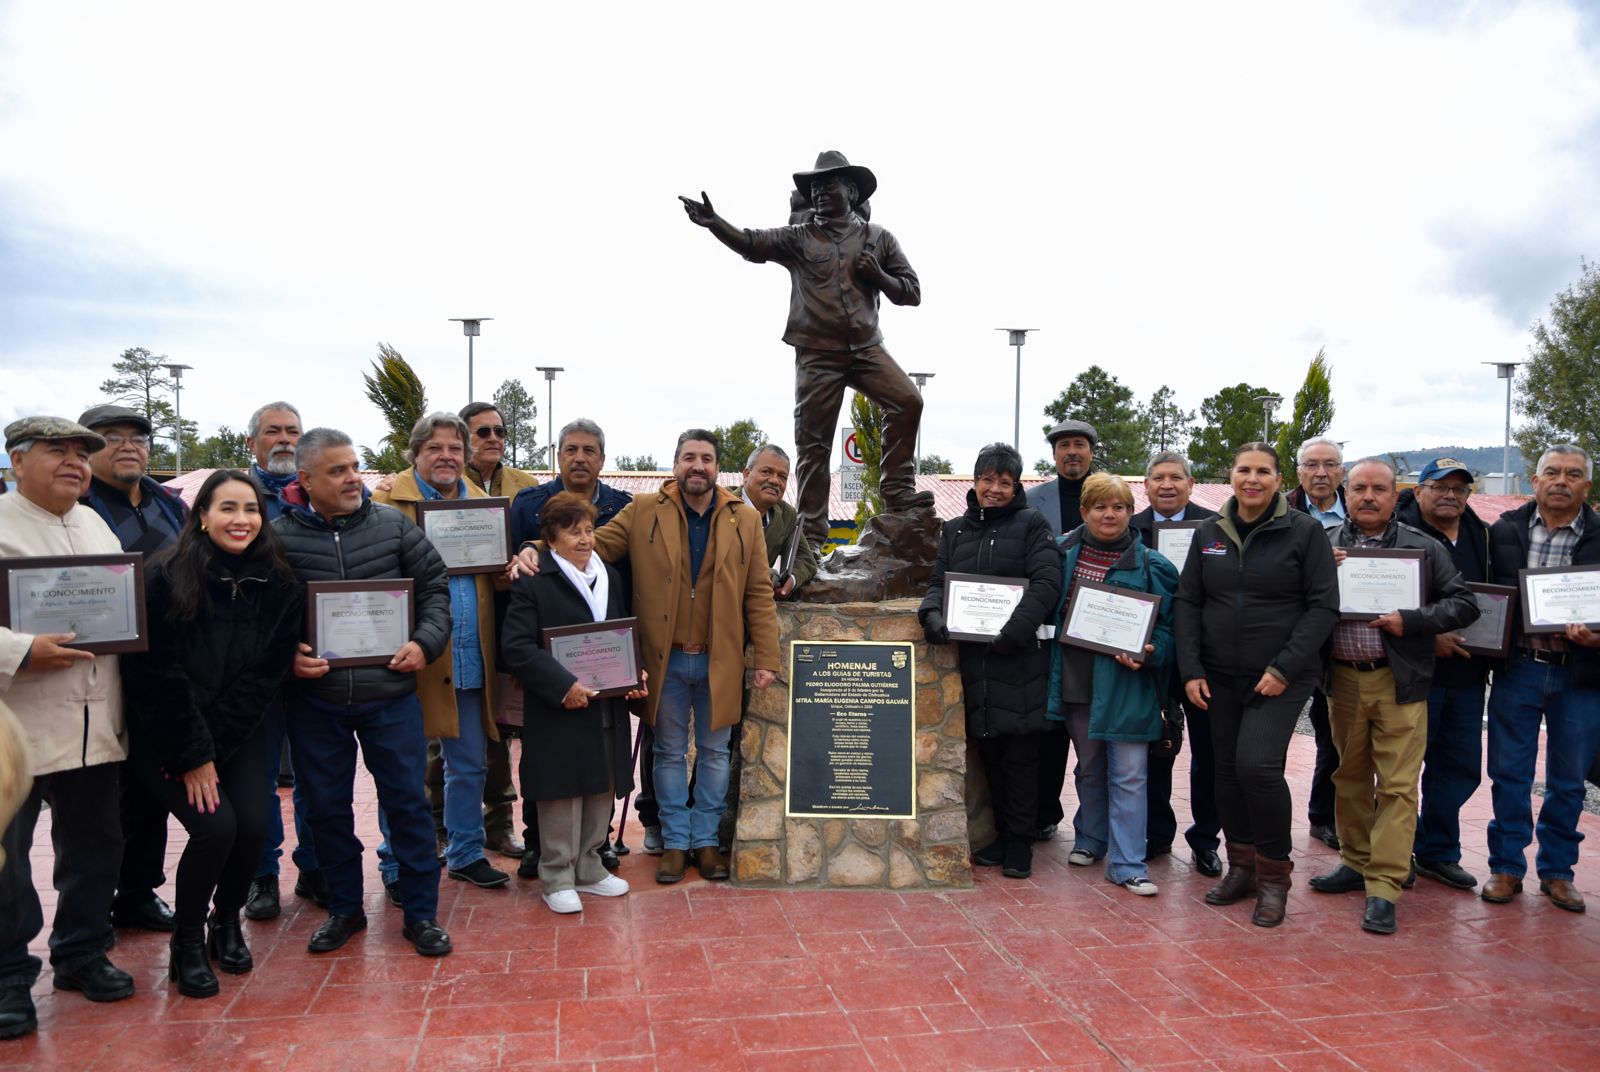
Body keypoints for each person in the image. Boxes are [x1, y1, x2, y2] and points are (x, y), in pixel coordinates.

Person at [679, 150, 934, 552]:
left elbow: (912, 292)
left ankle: (898, 492)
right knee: (813, 446)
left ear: (850, 190)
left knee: (908, 401)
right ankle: (813, 540)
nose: (818, 192)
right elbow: (752, 243)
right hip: (818, 354)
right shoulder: (799, 238)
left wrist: (878, 275)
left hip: (867, 348)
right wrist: (715, 224)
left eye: (826, 184)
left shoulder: (878, 237)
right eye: (813, 187)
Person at [119, 470, 302, 995]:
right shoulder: (163, 577)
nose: (240, 520)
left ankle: (226, 923)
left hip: (240, 729)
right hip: (167, 733)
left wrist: (216, 747)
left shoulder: (280, 581)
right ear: (201, 515)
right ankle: (187, 941)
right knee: (215, 827)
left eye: (250, 509)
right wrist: (195, 754)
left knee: (252, 825)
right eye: (227, 508)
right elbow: (154, 674)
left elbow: (265, 674)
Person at [274, 428, 454, 956]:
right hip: (317, 701)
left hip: (391, 695)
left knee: (408, 805)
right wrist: (287, 654)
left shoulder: (395, 527)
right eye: (338, 470)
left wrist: (425, 643)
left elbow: (436, 590)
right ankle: (345, 910)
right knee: (327, 809)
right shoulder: (279, 538)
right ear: (305, 479)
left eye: (354, 467)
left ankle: (421, 915)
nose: (353, 478)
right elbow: (261, 615)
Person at [586, 430, 781, 883]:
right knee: (670, 753)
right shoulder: (642, 511)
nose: (698, 466)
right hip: (664, 661)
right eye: (689, 457)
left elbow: (758, 593)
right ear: (675, 464)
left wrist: (766, 657)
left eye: (707, 459)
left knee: (714, 754)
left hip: (721, 660)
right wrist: (537, 551)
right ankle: (675, 841)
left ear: (718, 468)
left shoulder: (743, 520)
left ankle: (706, 841)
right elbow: (592, 546)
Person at [1, 417, 136, 1039]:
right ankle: (6, 976)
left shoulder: (93, 523)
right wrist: (21, 650)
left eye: (83, 455)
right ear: (16, 460)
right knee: (7, 859)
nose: (75, 464)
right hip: (17, 727)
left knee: (96, 846)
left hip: (92, 720)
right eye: (57, 452)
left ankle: (81, 953)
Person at [1308, 459, 1477, 935]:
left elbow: (1462, 602)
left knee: (1399, 785)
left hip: (1397, 681)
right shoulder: (1323, 544)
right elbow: (1295, 601)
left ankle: (1384, 885)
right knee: (1350, 775)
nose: (1367, 496)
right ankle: (1356, 862)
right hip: (1341, 679)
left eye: (1378, 489)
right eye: (1358, 487)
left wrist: (1413, 620)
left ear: (1394, 494)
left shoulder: (1421, 546)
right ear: (1345, 490)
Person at [1175, 443, 1339, 927]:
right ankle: (1241, 866)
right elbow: (1188, 603)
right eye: (1244, 470)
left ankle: (1274, 877)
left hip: (1280, 677)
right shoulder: (1208, 532)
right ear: (1230, 476)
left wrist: (1284, 667)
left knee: (1258, 767)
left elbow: (1322, 607)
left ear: (1277, 478)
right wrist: (1191, 669)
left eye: (1263, 471)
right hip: (1217, 676)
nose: (1253, 479)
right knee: (1225, 771)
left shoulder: (1304, 533)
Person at [372, 413, 509, 891]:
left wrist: (509, 567)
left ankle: (466, 851)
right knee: (403, 771)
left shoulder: (487, 506)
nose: (446, 456)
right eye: (435, 448)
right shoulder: (387, 503)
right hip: (410, 661)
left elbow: (498, 569)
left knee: (469, 764)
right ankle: (396, 862)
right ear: (415, 454)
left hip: (470, 656)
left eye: (455, 447)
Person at [919, 444, 1062, 879]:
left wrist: (1012, 632)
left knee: (1020, 752)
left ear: (1016, 485)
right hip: (975, 662)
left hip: (1017, 658)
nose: (994, 488)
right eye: (987, 479)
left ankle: (1021, 842)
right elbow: (937, 580)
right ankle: (1002, 834)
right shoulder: (956, 530)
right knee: (991, 752)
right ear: (975, 481)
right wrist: (932, 614)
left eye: (1004, 481)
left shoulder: (1032, 524)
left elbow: (1047, 582)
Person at [501, 492, 644, 913]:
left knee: (601, 782)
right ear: (550, 537)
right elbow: (517, 646)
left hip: (606, 704)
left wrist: (635, 673)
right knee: (562, 788)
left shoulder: (610, 577)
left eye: (588, 530)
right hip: (558, 706)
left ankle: (589, 866)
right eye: (572, 532)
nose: (584, 540)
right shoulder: (533, 580)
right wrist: (563, 685)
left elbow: (621, 636)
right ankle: (557, 874)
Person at [77, 403, 189, 935]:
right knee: (99, 800)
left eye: (137, 438)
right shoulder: (75, 506)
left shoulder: (171, 504)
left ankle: (138, 892)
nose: (128, 446)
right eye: (111, 437)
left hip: (164, 669)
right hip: (93, 671)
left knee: (149, 791)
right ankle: (90, 907)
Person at [1045, 473, 1178, 894]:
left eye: (1119, 507)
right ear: (1084, 511)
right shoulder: (1062, 553)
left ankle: (1127, 863)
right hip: (1077, 678)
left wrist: (1152, 650)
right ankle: (1090, 838)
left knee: (1131, 774)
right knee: (1090, 768)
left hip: (1128, 684)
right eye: (1100, 506)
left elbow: (1173, 630)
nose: (1109, 514)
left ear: (1129, 512)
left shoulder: (1153, 565)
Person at [1482, 443, 1600, 913]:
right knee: (1509, 773)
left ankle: (1557, 872)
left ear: (1587, 485)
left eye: (1573, 474)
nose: (1561, 481)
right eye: (1551, 472)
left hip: (1581, 677)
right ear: (1534, 480)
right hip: (1520, 670)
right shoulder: (1504, 530)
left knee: (1569, 780)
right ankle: (1506, 867)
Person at [510, 418, 633, 865]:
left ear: (602, 458)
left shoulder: (622, 509)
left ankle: (592, 856)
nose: (580, 458)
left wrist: (631, 665)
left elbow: (625, 600)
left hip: (606, 675)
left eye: (589, 450)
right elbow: (512, 574)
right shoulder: (527, 504)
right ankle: (545, 853)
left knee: (601, 763)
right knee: (553, 766)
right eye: (570, 449)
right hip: (548, 667)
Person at [240, 401, 321, 922]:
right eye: (274, 431)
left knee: (316, 773)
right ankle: (261, 874)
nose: (285, 439)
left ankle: (314, 868)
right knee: (259, 778)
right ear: (252, 443)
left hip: (316, 659)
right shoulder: (236, 498)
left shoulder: (317, 496)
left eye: (293, 430)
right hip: (255, 664)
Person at [1396, 457, 1493, 890]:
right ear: (1419, 491)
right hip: (1417, 672)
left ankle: (1439, 851)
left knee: (1458, 767)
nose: (1450, 495)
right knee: (1400, 769)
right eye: (1440, 487)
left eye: (1459, 488)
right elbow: (1383, 602)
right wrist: (1427, 635)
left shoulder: (1484, 536)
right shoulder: (1400, 535)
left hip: (1470, 675)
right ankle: (1400, 851)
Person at [716, 443, 816, 852]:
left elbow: (807, 561)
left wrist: (790, 581)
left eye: (782, 476)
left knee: (730, 734)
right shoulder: (719, 509)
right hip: (708, 632)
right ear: (746, 473)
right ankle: (659, 821)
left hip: (747, 641)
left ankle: (720, 827)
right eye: (766, 473)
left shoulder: (787, 518)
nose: (774, 481)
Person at [1128, 450, 1222, 877]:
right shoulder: (1130, 529)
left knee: (1209, 754)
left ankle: (1206, 840)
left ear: (1191, 483)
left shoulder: (1217, 527)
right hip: (1150, 655)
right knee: (1154, 747)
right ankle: (1155, 834)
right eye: (1158, 478)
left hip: (1206, 656)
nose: (1167, 485)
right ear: (1145, 486)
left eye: (1176, 478)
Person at [1027, 418, 1097, 842]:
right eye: (1064, 445)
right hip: (1047, 627)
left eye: (1080, 445)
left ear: (1092, 452)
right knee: (1049, 730)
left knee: (1093, 734)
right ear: (1054, 455)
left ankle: (1095, 823)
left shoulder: (1108, 498)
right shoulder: (1033, 500)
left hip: (1098, 631)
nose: (1072, 452)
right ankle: (1044, 813)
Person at [1286, 435, 1348, 851]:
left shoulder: (1364, 510)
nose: (1321, 472)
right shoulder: (1280, 512)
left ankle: (1326, 816)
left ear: (1342, 471)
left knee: (1333, 735)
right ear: (1299, 472)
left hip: (1342, 642)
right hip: (1289, 639)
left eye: (1329, 464)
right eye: (1311, 465)